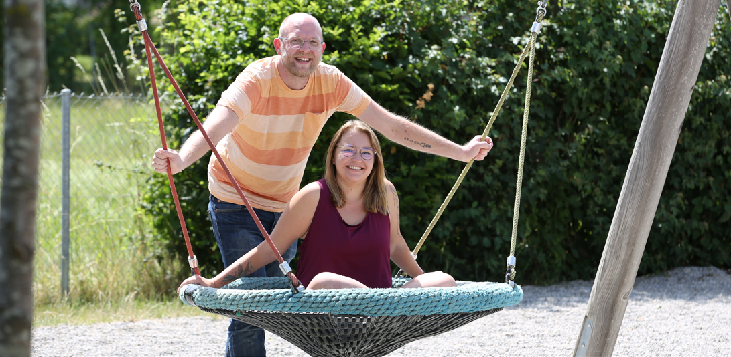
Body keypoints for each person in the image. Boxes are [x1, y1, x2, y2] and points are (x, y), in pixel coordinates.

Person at [154, 12, 488, 357]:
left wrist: (460, 152)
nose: (305, 49)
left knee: (276, 302)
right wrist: (181, 159)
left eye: (313, 42)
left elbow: (391, 126)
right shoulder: (258, 79)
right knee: (249, 308)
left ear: (323, 49)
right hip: (235, 199)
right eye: (296, 41)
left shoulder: (331, 83)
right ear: (279, 45)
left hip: (284, 202)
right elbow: (217, 123)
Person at [178, 120, 455, 294]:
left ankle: (383, 304)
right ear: (333, 157)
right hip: (323, 305)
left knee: (443, 280)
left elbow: (395, 244)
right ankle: (377, 303)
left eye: (365, 152)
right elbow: (270, 249)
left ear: (375, 162)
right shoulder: (312, 196)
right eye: (348, 150)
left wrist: (421, 282)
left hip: (382, 307)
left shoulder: (386, 193)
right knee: (324, 280)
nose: (356, 158)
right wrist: (214, 282)